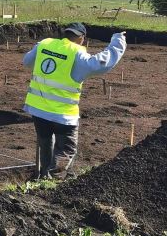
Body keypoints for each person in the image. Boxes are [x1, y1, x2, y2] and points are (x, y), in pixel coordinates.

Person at [22, 22, 126, 178]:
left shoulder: (45, 44)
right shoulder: (76, 53)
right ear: (82, 38)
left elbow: (27, 62)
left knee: (45, 143)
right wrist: (118, 41)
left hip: (38, 109)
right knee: (66, 149)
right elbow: (101, 64)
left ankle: (44, 176)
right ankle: (54, 181)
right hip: (63, 114)